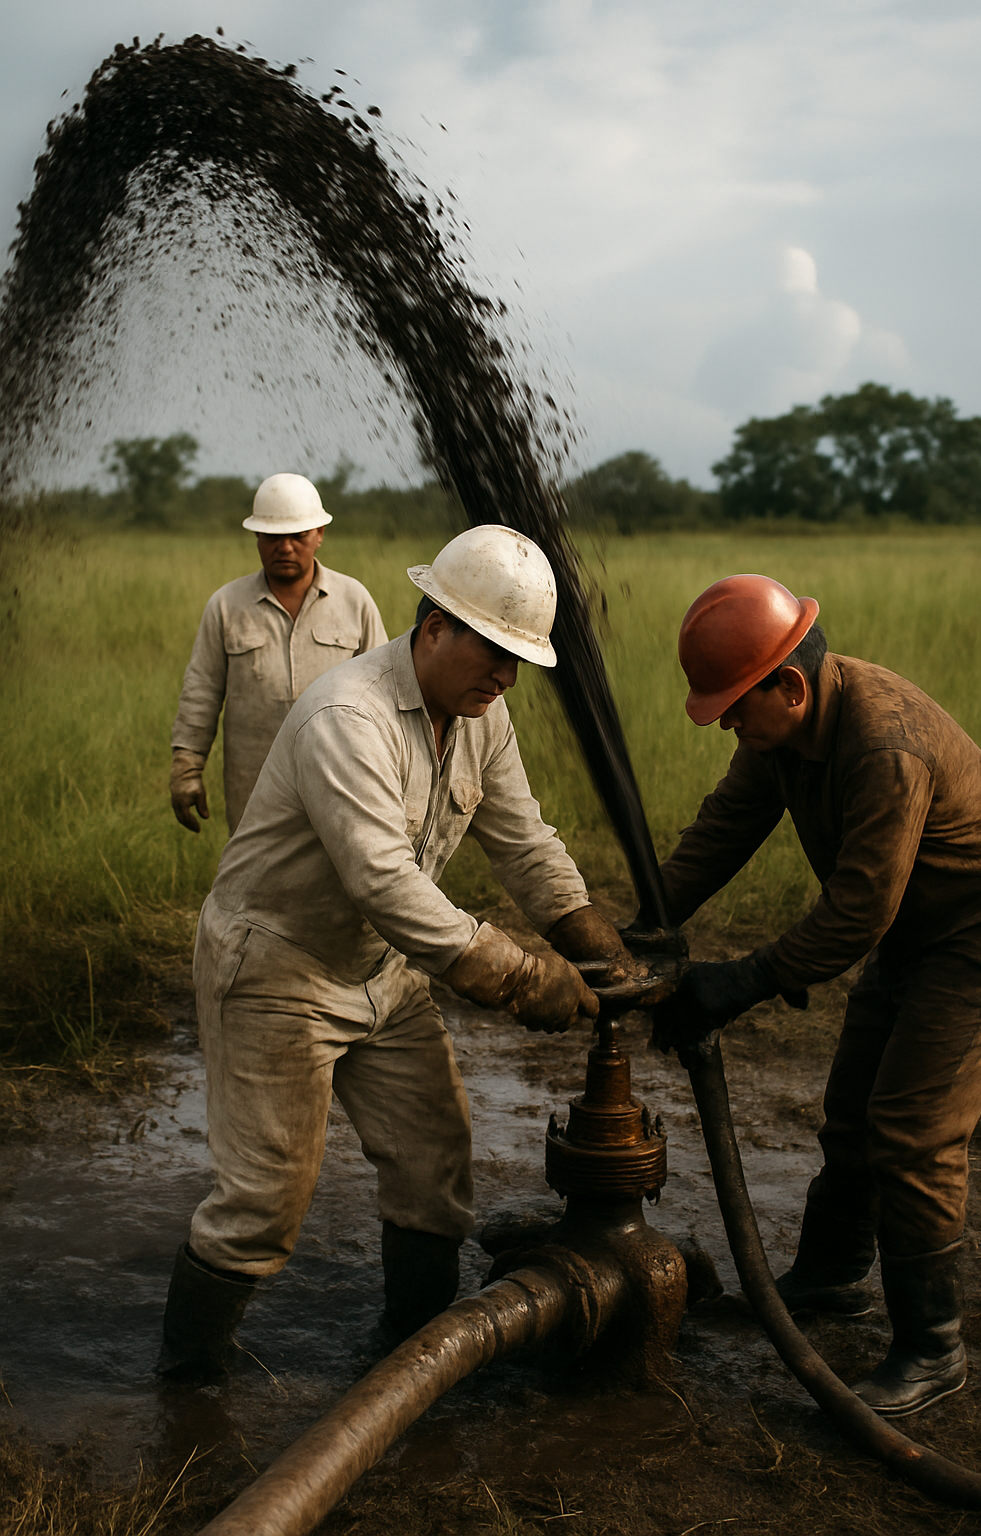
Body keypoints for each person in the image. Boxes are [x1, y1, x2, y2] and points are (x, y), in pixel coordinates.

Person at [158, 523, 639, 1381]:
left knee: (434, 1169)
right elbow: (385, 883)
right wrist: (525, 975)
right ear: (433, 627)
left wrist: (590, 938)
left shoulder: (483, 718)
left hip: (383, 972)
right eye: (490, 650)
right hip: (278, 969)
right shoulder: (351, 716)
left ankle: (408, 1358)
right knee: (262, 1205)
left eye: (516, 660)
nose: (502, 675)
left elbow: (523, 840)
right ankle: (187, 1386)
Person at [651, 573, 981, 1417]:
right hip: (909, 930)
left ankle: (933, 1347)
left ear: (789, 684)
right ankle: (830, 1278)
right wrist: (645, 921)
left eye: (735, 707)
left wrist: (741, 981)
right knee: (852, 1112)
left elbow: (859, 909)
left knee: (914, 1132)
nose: (729, 728)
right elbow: (721, 833)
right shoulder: (778, 736)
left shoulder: (884, 746)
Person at [170, 472, 387, 835]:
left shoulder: (354, 601)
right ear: (257, 537)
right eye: (272, 537)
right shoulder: (226, 606)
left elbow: (383, 694)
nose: (284, 547)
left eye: (298, 536)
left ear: (319, 535)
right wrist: (187, 768)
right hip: (254, 785)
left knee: (342, 874)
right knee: (257, 880)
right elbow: (202, 691)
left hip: (341, 777)